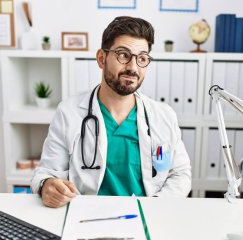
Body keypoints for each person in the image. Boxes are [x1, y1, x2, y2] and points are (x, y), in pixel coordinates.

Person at [31, 16, 191, 208]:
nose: (133, 67)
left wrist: (155, 207)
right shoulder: (69, 112)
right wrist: (47, 185)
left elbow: (180, 173)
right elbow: (47, 172)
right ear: (101, 58)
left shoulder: (163, 116)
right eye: (123, 55)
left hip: (146, 216)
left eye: (142, 58)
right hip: (85, 216)